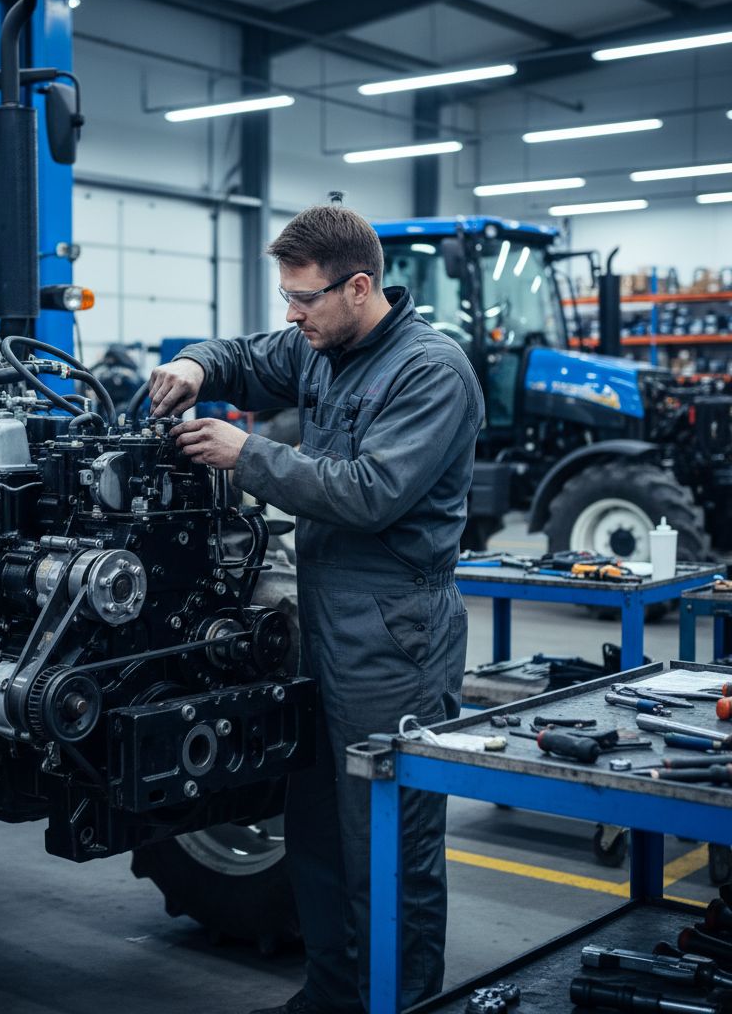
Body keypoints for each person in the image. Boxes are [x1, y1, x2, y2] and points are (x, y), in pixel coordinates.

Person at [148, 204, 483, 1014]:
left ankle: (397, 1003)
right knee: (320, 831)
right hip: (324, 621)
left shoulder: (430, 371)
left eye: (304, 298)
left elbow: (372, 493)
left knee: (388, 842)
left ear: (357, 287)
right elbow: (242, 356)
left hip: (395, 634)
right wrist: (193, 365)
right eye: (287, 298)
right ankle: (331, 998)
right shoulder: (320, 345)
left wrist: (248, 455)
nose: (292, 315)